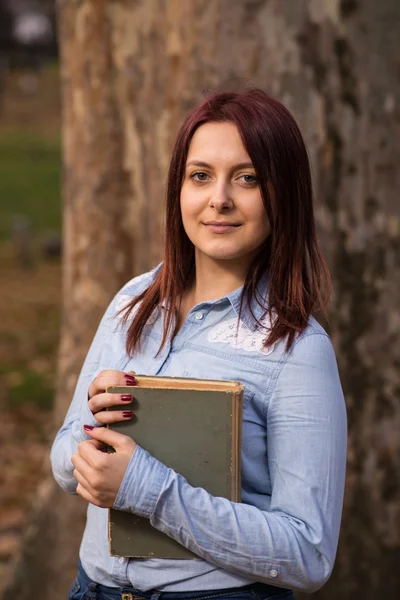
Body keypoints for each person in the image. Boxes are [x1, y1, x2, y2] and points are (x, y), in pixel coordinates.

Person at [51, 88, 347, 600]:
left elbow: (309, 555)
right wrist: (92, 433)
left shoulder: (298, 350)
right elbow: (62, 461)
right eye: (201, 176)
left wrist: (148, 490)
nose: (219, 199)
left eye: (248, 178)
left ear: (286, 193)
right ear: (178, 190)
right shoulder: (132, 302)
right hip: (90, 587)